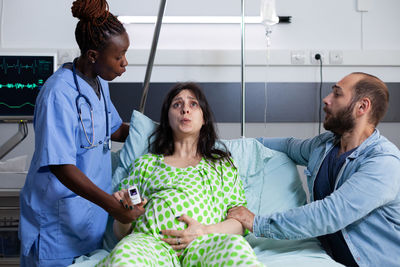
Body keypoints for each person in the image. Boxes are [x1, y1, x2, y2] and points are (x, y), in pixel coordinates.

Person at [227, 72, 400, 267]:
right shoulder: (324, 146)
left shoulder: (383, 163)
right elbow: (286, 146)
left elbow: (329, 214)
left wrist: (258, 223)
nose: (326, 100)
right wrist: (214, 146)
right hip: (328, 258)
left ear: (362, 106)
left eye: (337, 94)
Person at [19, 0, 142, 266]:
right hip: (56, 223)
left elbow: (115, 130)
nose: (125, 63)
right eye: (118, 57)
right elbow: (61, 166)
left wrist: (159, 131)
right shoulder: (57, 94)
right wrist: (111, 205)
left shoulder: (98, 84)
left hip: (87, 219)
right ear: (94, 56)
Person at [96, 83, 264, 266]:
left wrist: (204, 232)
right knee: (124, 255)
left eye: (193, 104)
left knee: (236, 249)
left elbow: (239, 224)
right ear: (167, 119)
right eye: (177, 104)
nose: (185, 109)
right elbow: (122, 233)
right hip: (150, 245)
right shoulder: (145, 164)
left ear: (204, 118)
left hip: (205, 244)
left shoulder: (221, 165)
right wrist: (124, 214)